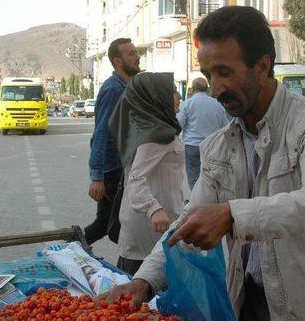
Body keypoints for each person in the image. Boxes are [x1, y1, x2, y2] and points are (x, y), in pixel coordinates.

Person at [98, 6, 305, 321]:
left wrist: (233, 215)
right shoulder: (219, 144)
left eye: (225, 72)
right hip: (243, 308)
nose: (215, 87)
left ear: (263, 66)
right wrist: (145, 281)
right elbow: (188, 219)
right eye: (208, 75)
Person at [109, 72, 184, 275]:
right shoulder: (157, 135)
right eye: (173, 91)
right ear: (156, 97)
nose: (178, 96)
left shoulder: (145, 128)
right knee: (143, 291)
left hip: (145, 223)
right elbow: (135, 178)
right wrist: (154, 209)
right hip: (153, 226)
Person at [85, 38, 141, 245]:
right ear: (118, 61)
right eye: (131, 54)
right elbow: (101, 133)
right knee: (106, 224)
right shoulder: (114, 90)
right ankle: (66, 251)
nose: (137, 57)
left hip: (122, 166)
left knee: (116, 223)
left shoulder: (127, 86)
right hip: (112, 169)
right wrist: (97, 176)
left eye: (136, 52)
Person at [177, 77, 230, 189]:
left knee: (194, 175)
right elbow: (226, 126)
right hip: (212, 146)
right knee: (211, 176)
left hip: (192, 146)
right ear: (207, 89)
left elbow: (179, 125)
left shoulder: (187, 104)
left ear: (193, 89)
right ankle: (209, 201)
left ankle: (196, 202)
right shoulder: (218, 104)